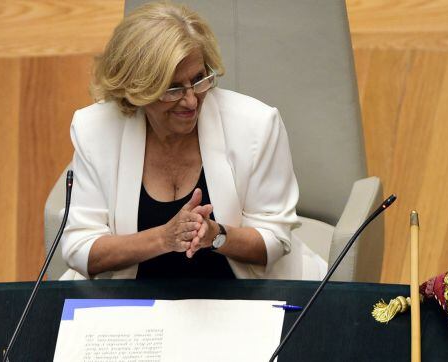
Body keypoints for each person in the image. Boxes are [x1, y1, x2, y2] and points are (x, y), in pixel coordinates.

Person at [60, 1, 325, 280]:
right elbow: (80, 249)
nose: (191, 100)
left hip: (240, 294)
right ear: (138, 89)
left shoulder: (256, 124)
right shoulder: (96, 129)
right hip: (135, 304)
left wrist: (217, 235)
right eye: (173, 88)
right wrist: (164, 238)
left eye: (199, 79)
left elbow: (275, 240)